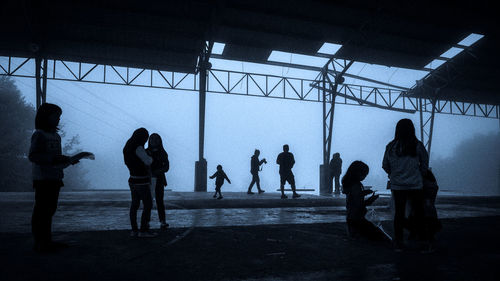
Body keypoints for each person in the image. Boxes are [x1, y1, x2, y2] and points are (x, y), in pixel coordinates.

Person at [29, 103, 92, 252]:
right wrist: (55, 159)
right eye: (56, 116)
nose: (58, 119)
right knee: (42, 211)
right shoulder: (39, 134)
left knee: (49, 210)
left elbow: (53, 157)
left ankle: (45, 241)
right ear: (46, 117)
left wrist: (65, 160)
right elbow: (33, 156)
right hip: (43, 179)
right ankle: (40, 242)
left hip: (55, 177)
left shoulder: (55, 136)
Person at [382, 119, 429, 251]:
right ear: (412, 129)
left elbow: (385, 165)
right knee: (419, 213)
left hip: (397, 186)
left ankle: (399, 243)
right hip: (415, 185)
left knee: (399, 214)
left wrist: (394, 174)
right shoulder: (417, 145)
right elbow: (425, 163)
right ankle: (424, 243)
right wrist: (419, 174)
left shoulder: (391, 147)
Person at [123, 128, 157, 238]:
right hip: (141, 180)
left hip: (132, 179)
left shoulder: (128, 146)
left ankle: (134, 230)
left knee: (134, 205)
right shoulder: (138, 147)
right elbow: (148, 161)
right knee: (148, 204)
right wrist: (150, 156)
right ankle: (143, 230)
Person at [342, 161, 387, 241]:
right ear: (357, 173)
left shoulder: (350, 184)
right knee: (379, 236)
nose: (364, 177)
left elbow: (354, 197)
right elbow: (359, 205)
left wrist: (363, 193)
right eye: (364, 174)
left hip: (350, 218)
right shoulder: (356, 186)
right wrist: (371, 199)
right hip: (357, 219)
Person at [146, 133, 170, 230]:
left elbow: (167, 167)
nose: (154, 141)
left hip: (159, 179)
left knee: (160, 201)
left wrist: (157, 172)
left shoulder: (163, 153)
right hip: (148, 180)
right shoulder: (146, 152)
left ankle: (162, 221)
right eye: (152, 139)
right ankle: (146, 221)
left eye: (156, 139)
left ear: (160, 141)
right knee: (148, 202)